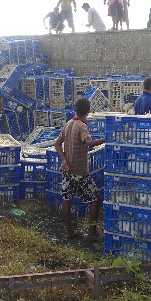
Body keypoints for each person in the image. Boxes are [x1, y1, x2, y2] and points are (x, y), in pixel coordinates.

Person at [54, 98, 105, 240]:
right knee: (95, 199)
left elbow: (57, 144)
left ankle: (69, 232)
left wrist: (64, 160)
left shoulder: (68, 124)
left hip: (67, 171)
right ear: (88, 112)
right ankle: (91, 233)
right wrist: (107, 139)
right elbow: (89, 143)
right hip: (80, 172)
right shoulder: (81, 126)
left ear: (76, 110)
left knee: (67, 199)